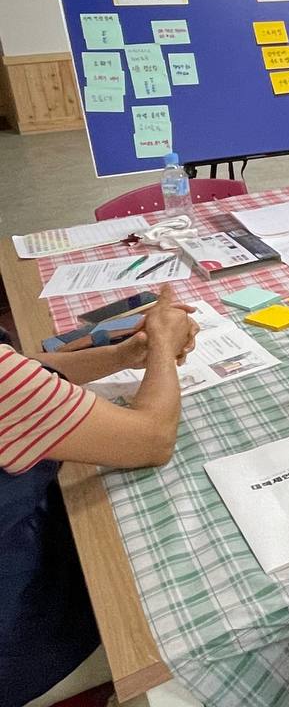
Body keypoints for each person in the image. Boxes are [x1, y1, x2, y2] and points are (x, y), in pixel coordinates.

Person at [2, 288, 198, 707]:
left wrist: (123, 355)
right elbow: (151, 440)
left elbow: (28, 370)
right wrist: (163, 348)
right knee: (188, 634)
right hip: (23, 637)